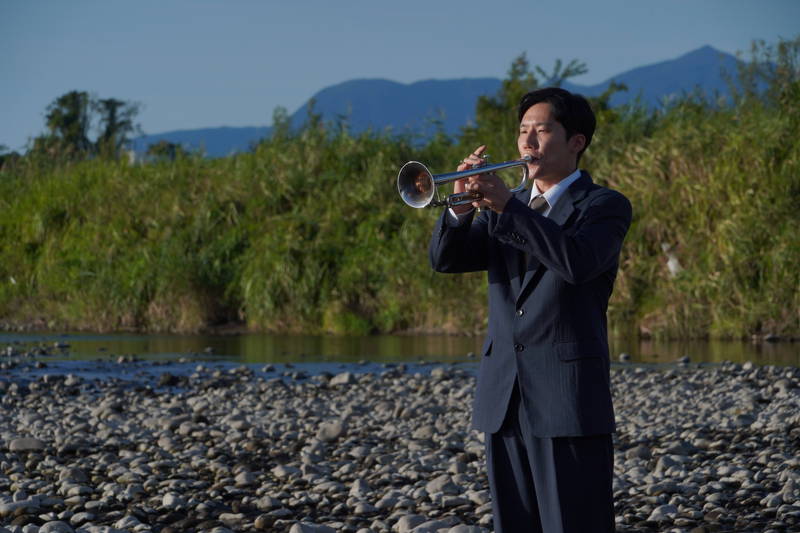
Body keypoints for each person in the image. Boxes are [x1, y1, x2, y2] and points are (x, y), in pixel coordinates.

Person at [428, 87, 632, 533]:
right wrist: (460, 206)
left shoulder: (604, 206)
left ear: (576, 141)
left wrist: (505, 206)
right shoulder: (511, 205)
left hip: (567, 395)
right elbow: (447, 260)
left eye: (542, 131)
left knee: (575, 523)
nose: (527, 143)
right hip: (503, 394)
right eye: (523, 132)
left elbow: (576, 262)